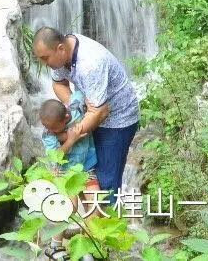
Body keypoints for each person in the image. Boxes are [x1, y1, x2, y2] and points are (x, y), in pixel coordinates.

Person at [32, 28, 140, 204]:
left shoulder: (90, 63)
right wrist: (75, 109)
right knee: (85, 176)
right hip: (91, 113)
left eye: (45, 58)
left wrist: (68, 136)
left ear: (60, 48)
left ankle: (109, 228)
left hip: (118, 120)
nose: (44, 63)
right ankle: (92, 226)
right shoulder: (62, 56)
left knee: (106, 184)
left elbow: (100, 112)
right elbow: (59, 84)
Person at [39, 94, 99, 193]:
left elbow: (81, 91)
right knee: (70, 205)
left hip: (87, 166)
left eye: (54, 128)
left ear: (66, 118)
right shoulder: (48, 134)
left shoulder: (76, 109)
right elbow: (54, 157)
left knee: (95, 200)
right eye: (46, 126)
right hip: (66, 172)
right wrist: (70, 141)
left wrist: (90, 101)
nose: (50, 131)